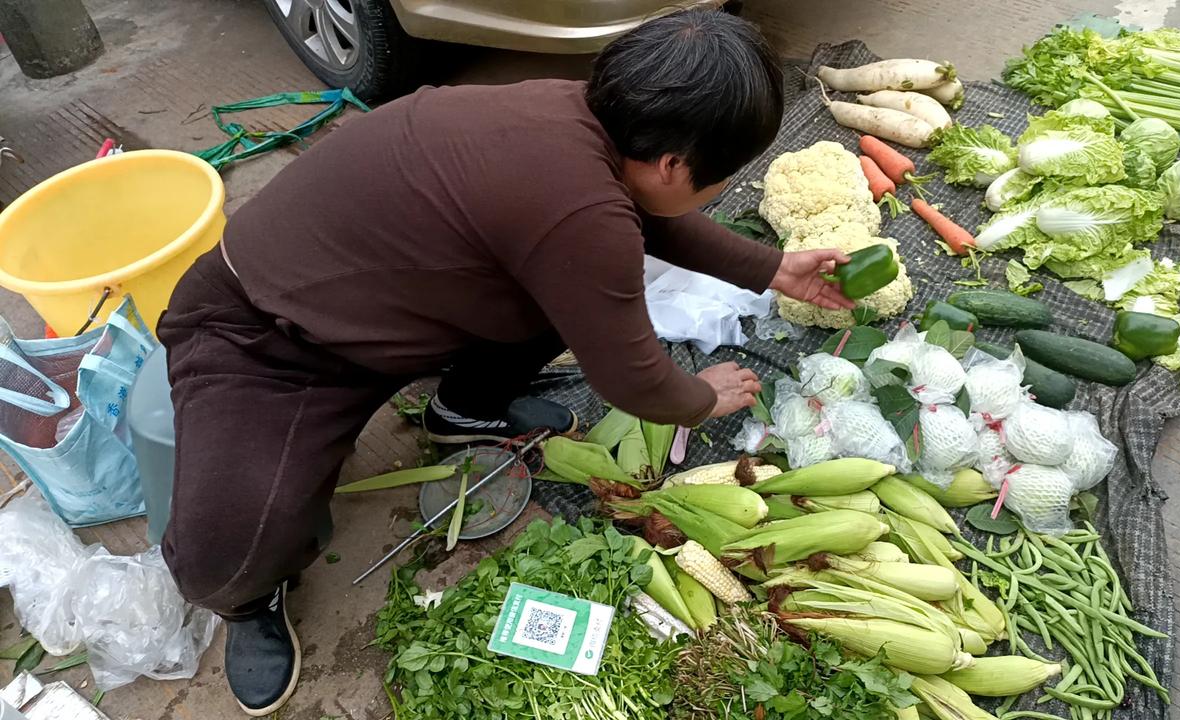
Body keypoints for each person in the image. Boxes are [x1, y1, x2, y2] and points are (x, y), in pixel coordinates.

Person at [158, 8, 854, 716]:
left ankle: (463, 408)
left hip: (387, 305)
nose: (719, 190)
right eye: (722, 176)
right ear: (674, 163)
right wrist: (701, 398)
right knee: (224, 551)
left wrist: (775, 268)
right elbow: (633, 380)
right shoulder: (578, 210)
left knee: (570, 289)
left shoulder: (582, 121)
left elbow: (651, 217)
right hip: (269, 337)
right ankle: (249, 600)